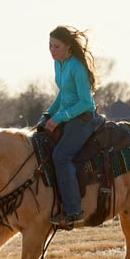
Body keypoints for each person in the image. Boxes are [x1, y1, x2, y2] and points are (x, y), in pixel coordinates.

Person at [39, 25, 99, 228]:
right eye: (49, 45)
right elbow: (63, 94)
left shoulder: (76, 67)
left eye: (56, 46)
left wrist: (59, 118)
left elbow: (85, 102)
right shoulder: (59, 64)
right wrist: (48, 114)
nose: (51, 50)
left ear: (68, 47)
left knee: (61, 156)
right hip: (67, 117)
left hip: (83, 119)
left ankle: (73, 211)